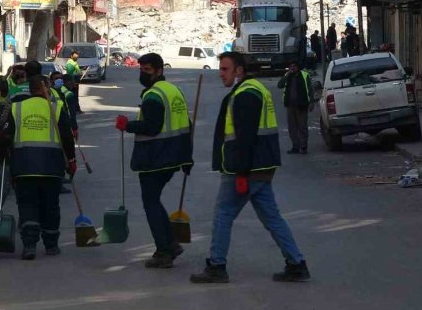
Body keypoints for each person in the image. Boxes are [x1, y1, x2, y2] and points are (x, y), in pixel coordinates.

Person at [190, 51, 310, 284]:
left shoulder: (245, 95)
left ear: (239, 71)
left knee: (223, 214)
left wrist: (242, 173)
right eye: (220, 69)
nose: (220, 74)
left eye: (225, 69)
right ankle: (296, 263)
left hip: (245, 169)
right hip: (261, 167)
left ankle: (217, 265)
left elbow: (245, 138)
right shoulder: (253, 90)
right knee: (271, 217)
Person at [115, 53, 193, 268]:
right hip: (173, 156)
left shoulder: (152, 96)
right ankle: (171, 243)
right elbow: (187, 126)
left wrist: (127, 125)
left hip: (155, 157)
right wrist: (187, 157)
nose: (143, 74)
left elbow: (151, 127)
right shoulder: (173, 91)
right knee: (154, 200)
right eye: (141, 70)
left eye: (147, 70)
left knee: (150, 203)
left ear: (159, 70)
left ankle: (164, 250)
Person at [0, 76, 77, 260]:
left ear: (30, 90)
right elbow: (67, 137)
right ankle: (51, 245)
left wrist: (1, 155)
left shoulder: (18, 108)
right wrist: (71, 161)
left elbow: (6, 136)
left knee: (27, 206)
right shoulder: (56, 108)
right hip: (51, 167)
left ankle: (29, 245)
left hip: (24, 167)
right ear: (46, 89)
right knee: (50, 206)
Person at [277, 60, 315, 154]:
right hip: (290, 105)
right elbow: (280, 85)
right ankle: (295, 146)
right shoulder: (288, 76)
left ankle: (303, 146)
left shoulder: (304, 75)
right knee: (292, 127)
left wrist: (311, 102)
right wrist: (286, 75)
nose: (293, 68)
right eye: (291, 66)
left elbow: (310, 89)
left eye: (294, 66)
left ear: (298, 67)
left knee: (302, 126)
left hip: (301, 105)